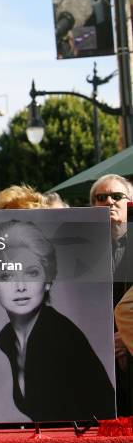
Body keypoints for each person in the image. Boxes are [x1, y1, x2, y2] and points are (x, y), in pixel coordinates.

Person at [0, 219, 115, 421]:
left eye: (31, 273)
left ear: (48, 280)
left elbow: (98, 410)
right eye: (7, 275)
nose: (20, 286)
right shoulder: (7, 338)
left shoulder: (60, 334)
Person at [90, 173, 133, 414]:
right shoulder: (80, 252)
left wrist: (125, 337)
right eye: (101, 197)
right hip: (94, 355)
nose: (109, 201)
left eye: (117, 196)